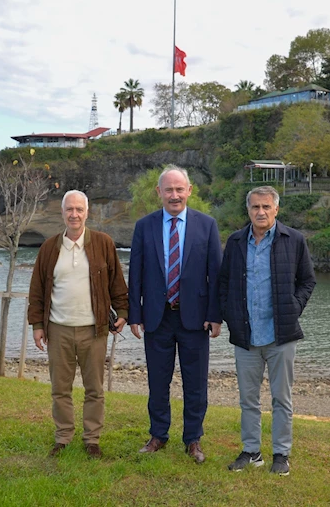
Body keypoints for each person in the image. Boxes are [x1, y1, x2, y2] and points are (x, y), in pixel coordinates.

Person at [217, 185, 316, 476]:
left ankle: (281, 454)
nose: (260, 212)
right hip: (245, 336)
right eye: (255, 207)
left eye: (266, 207)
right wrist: (229, 316)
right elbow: (223, 285)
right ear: (248, 210)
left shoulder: (294, 240)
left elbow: (307, 281)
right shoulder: (235, 242)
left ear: (276, 209)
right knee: (248, 399)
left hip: (281, 335)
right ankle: (251, 451)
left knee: (281, 399)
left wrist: (293, 308)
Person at [128, 164, 222, 463]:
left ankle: (193, 439)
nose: (174, 195)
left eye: (179, 189)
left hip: (195, 318)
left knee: (195, 382)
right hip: (157, 317)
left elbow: (216, 275)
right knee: (158, 381)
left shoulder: (206, 225)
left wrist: (215, 314)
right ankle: (158, 435)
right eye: (168, 189)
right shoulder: (145, 226)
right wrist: (134, 314)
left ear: (189, 191)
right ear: (159, 193)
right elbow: (136, 274)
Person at [28, 190, 128, 459]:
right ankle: (63, 437)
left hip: (94, 329)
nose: (74, 214)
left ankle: (92, 439)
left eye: (79, 210)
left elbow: (117, 282)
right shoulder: (49, 248)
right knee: (60, 388)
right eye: (69, 209)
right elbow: (37, 289)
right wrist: (37, 324)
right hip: (57, 328)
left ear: (87, 213)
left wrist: (123, 311)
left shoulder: (103, 243)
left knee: (94, 389)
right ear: (63, 213)